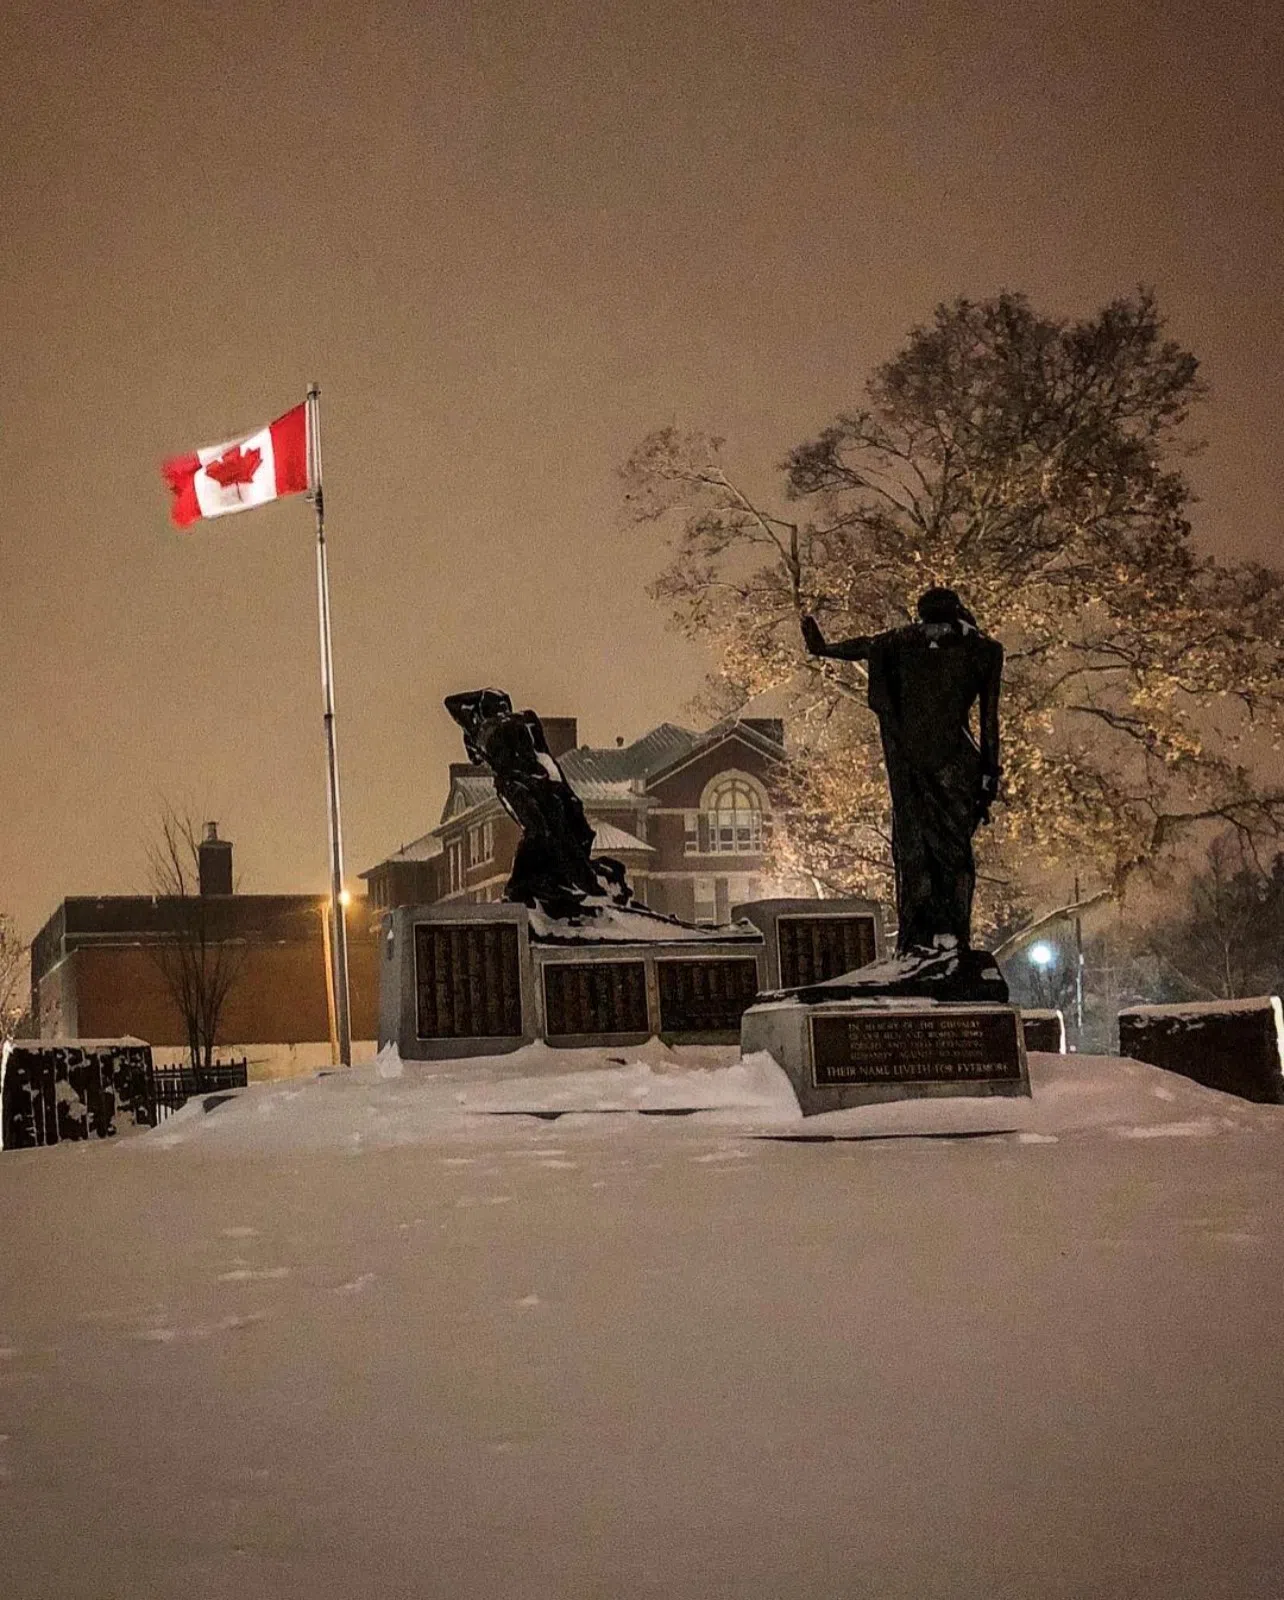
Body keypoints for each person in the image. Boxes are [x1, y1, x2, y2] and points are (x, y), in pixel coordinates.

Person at [801, 588, 1003, 955]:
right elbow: (989, 723)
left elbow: (859, 646)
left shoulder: (900, 643)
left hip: (916, 765)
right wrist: (990, 776)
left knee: (916, 851)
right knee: (949, 853)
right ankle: (950, 935)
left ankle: (921, 937)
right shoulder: (983, 650)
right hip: (957, 766)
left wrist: (821, 646)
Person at [444, 689, 631, 918]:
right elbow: (451, 703)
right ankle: (522, 885)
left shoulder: (525, 720)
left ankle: (562, 879)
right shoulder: (481, 732)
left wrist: (559, 786)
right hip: (513, 786)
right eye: (497, 707)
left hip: (540, 781)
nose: (503, 711)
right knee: (538, 831)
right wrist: (479, 702)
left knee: (574, 827)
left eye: (505, 706)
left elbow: (544, 754)